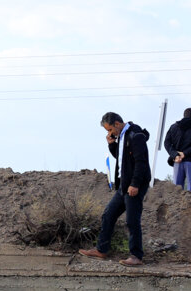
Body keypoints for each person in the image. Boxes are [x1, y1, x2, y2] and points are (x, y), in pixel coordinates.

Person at [79, 112, 151, 267]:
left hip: (133, 185)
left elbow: (141, 162)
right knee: (108, 214)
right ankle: (101, 250)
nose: (109, 133)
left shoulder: (135, 135)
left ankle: (136, 256)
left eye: (110, 129)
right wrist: (112, 144)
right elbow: (120, 157)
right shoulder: (123, 136)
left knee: (132, 221)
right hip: (123, 186)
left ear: (117, 124)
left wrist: (135, 184)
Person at [163, 107, 191, 190]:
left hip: (177, 161)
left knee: (176, 190)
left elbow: (167, 143)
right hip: (189, 160)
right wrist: (185, 154)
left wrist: (175, 155)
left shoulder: (174, 127)